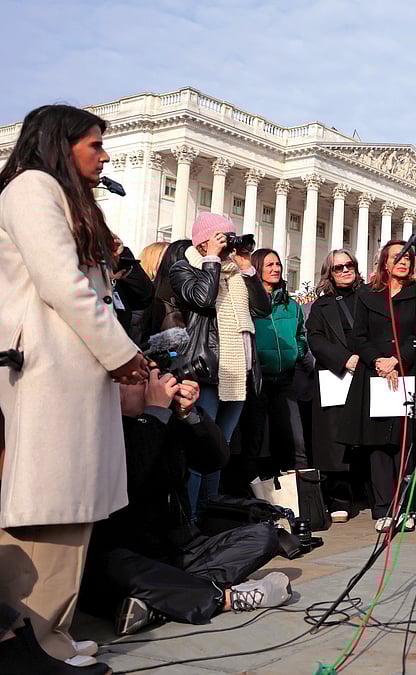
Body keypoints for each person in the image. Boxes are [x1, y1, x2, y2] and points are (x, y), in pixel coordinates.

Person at [0, 104, 150, 669]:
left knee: (73, 508)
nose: (105, 155)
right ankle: (33, 640)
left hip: (73, 368)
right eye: (94, 145)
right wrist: (121, 354)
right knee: (45, 508)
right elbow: (62, 284)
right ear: (62, 145)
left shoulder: (60, 196)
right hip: (46, 368)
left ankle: (53, 633)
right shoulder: (32, 187)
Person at [82, 370, 289, 637]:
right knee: (112, 566)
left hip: (179, 550)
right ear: (116, 391)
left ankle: (157, 599)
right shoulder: (101, 429)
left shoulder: (164, 422)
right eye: (140, 382)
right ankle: (225, 598)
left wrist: (189, 415)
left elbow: (215, 459)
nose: (151, 388)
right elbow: (133, 476)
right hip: (128, 553)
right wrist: (154, 412)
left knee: (264, 536)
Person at [169, 212, 271, 515]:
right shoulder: (184, 268)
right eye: (221, 239)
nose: (228, 245)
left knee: (220, 449)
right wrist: (212, 260)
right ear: (203, 242)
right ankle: (191, 519)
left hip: (239, 371)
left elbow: (262, 309)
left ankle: (210, 513)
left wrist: (248, 269)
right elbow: (202, 299)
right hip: (206, 371)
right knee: (201, 451)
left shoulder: (236, 272)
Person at [340, 241, 416, 533]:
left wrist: (397, 360)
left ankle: (409, 507)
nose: (404, 262)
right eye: (397, 257)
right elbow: (358, 336)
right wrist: (379, 362)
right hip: (375, 375)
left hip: (409, 373)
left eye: (408, 257)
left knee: (406, 444)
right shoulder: (367, 295)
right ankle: (383, 508)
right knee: (378, 446)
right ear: (385, 263)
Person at [306, 249, 363, 522]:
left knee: (367, 437)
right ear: (329, 273)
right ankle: (339, 498)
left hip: (367, 373)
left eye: (348, 265)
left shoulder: (369, 298)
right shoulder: (321, 306)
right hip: (336, 376)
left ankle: (368, 495)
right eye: (338, 268)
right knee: (335, 442)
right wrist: (344, 359)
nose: (344, 271)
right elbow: (315, 340)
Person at [241, 248, 309, 477]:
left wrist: (296, 353)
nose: (276, 268)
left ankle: (302, 498)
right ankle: (254, 495)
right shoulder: (248, 302)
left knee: (296, 441)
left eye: (278, 264)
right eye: (269, 264)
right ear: (257, 268)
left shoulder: (292, 305)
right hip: (257, 382)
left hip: (285, 381)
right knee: (255, 441)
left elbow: (301, 335)